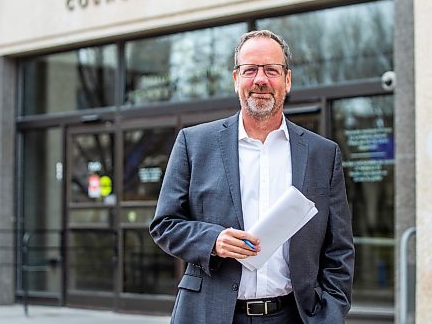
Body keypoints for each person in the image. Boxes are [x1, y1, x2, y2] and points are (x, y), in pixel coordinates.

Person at [149, 30, 354, 324]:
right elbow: (164, 225)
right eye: (250, 70)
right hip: (211, 314)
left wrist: (330, 314)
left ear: (287, 80)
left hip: (294, 316)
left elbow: (339, 248)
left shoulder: (322, 153)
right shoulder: (194, 143)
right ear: (236, 80)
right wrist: (213, 240)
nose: (260, 79)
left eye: (271, 70)